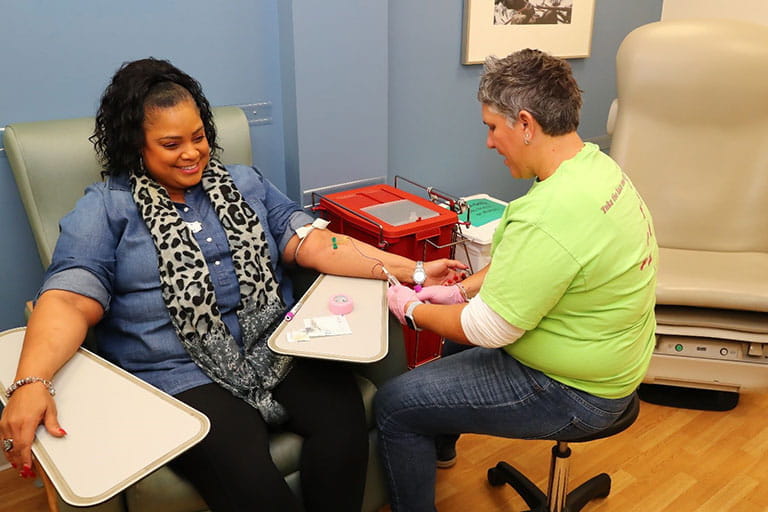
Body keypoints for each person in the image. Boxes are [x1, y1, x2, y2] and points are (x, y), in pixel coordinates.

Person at [0, 58, 465, 512]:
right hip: (179, 373)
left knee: (342, 421)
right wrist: (31, 381)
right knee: (245, 474)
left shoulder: (244, 183)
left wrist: (413, 271)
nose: (192, 153)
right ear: (135, 146)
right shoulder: (106, 208)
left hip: (277, 344)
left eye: (199, 137)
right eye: (170, 143)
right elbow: (68, 296)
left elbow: (316, 243)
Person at [378, 48, 658, 511]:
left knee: (394, 404)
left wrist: (413, 310)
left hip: (577, 392)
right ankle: (440, 445)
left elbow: (490, 329)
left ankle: (419, 440)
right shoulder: (593, 167)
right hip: (615, 361)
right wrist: (458, 290)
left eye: (492, 127)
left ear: (525, 124)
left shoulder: (551, 213)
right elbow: (528, 265)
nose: (489, 142)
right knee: (455, 341)